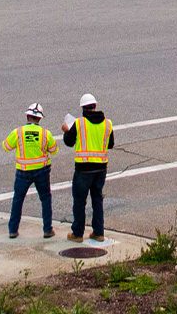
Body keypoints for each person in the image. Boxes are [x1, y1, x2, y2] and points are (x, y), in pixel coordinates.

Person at [62, 92, 114, 242]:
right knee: (97, 199)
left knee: (79, 201)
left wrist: (67, 131)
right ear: (95, 106)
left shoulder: (79, 123)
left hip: (83, 169)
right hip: (101, 169)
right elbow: (110, 144)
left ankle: (78, 233)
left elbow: (69, 142)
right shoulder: (108, 124)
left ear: (83, 108)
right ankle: (98, 232)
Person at [3, 102, 57, 239]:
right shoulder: (45, 133)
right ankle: (47, 229)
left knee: (18, 200)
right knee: (45, 199)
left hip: (23, 171)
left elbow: (6, 146)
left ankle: (13, 230)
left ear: (27, 116)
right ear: (39, 119)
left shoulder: (18, 132)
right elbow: (54, 150)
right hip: (42, 171)